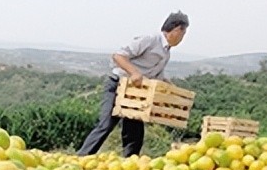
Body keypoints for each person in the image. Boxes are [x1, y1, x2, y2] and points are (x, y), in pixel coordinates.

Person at [77, 11, 189, 157]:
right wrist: (134, 72)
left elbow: (157, 75)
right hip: (118, 86)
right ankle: (81, 158)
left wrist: (173, 89)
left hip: (136, 94)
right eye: (183, 33)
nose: (182, 38)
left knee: (134, 133)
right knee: (106, 125)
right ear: (175, 29)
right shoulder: (150, 40)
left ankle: (130, 164)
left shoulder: (166, 52)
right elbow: (119, 56)